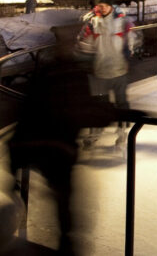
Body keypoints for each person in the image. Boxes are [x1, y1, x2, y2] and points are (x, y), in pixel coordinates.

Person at [9, 23, 115, 254]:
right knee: (65, 207)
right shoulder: (70, 74)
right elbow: (81, 111)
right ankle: (65, 246)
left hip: (38, 147)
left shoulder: (45, 73)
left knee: (61, 205)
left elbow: (29, 112)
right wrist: (115, 113)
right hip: (56, 149)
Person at [79, 0, 137, 148]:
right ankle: (96, 131)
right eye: (99, 5)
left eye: (105, 5)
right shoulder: (92, 22)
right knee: (99, 103)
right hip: (100, 69)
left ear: (111, 5)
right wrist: (86, 57)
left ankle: (122, 130)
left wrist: (129, 51)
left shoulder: (122, 21)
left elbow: (132, 38)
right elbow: (85, 43)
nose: (102, 8)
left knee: (121, 101)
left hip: (119, 69)